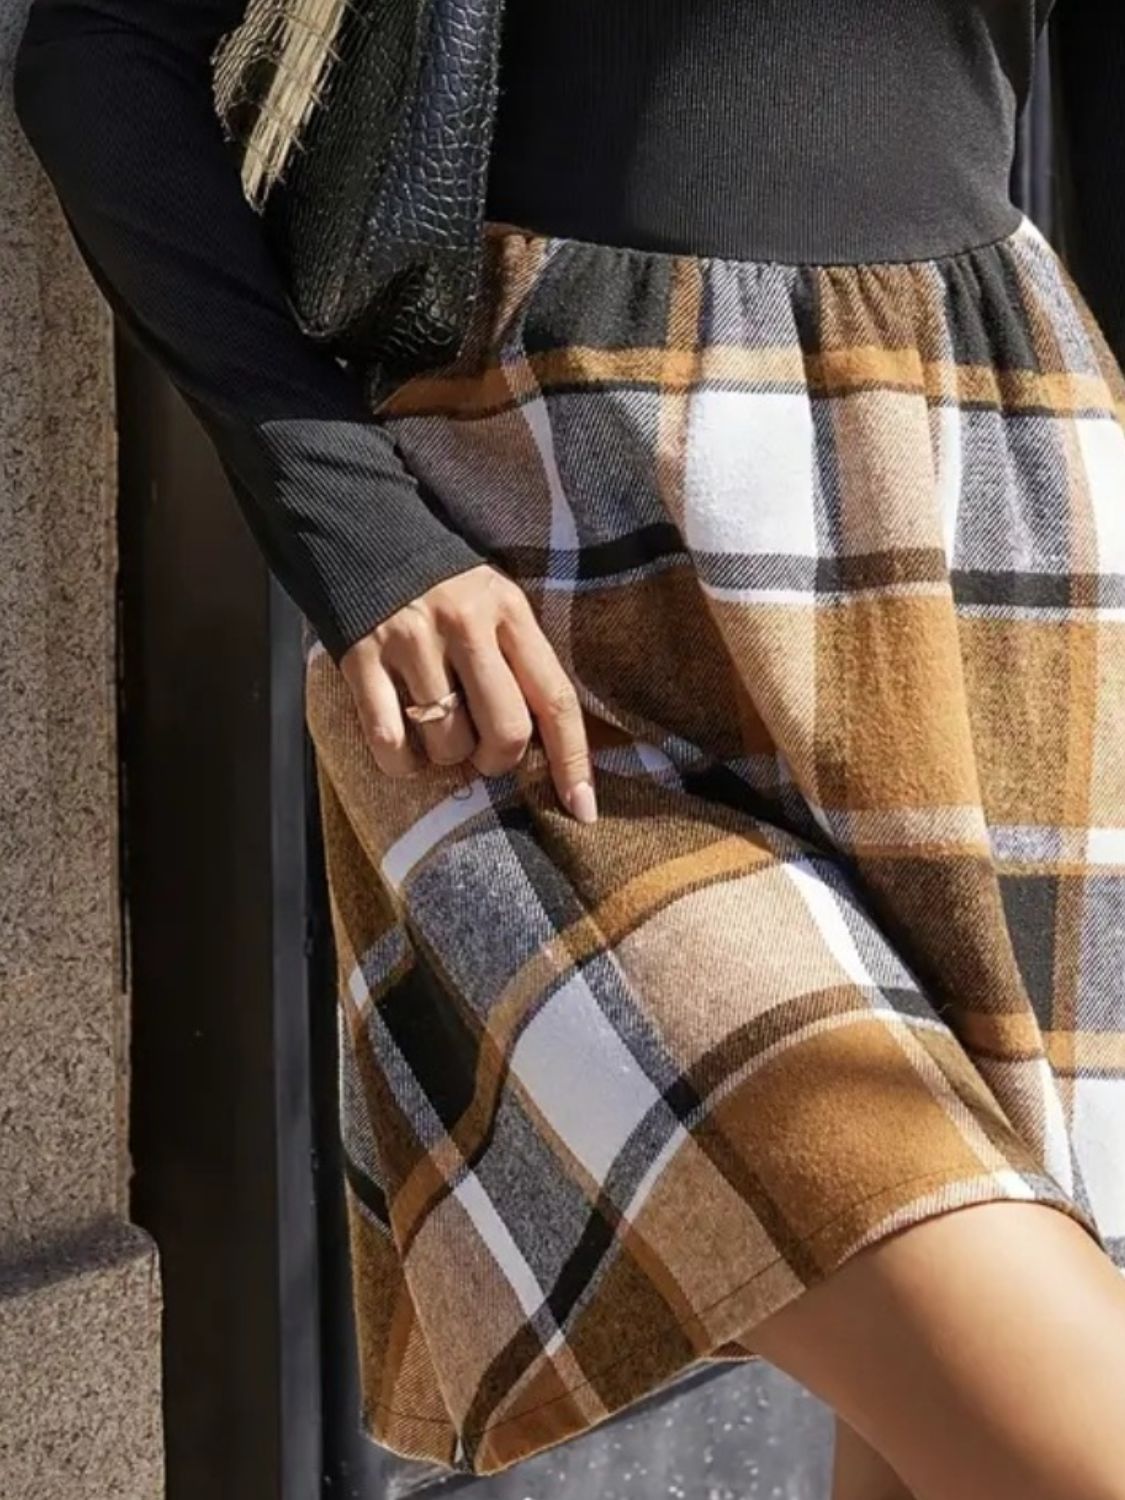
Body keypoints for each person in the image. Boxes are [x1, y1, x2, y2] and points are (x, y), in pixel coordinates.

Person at [14, 2, 1125, 1494]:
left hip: (985, 498)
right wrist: (358, 533)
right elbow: (102, 48)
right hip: (544, 579)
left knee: (960, 1407)